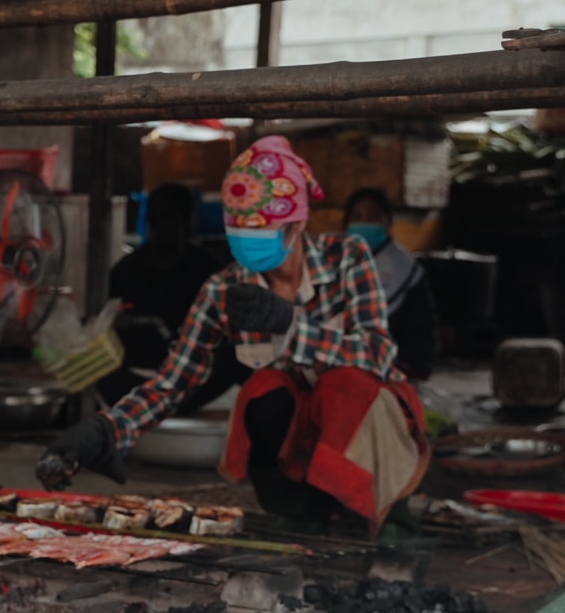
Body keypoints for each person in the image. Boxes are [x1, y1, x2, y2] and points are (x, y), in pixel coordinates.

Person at [36, 137, 429, 533]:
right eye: (240, 234)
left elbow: (378, 355)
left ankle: (386, 515)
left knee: (343, 384)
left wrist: (289, 325)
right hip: (295, 451)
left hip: (367, 441)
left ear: (296, 224)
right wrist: (108, 429)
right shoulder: (224, 290)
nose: (249, 246)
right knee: (264, 388)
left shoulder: (347, 258)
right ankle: (298, 513)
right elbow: (173, 384)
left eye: (260, 233)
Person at [98, 182, 242, 414]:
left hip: (127, 385)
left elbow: (100, 319)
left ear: (148, 219)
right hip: (193, 389)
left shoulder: (127, 267)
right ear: (191, 219)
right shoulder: (209, 268)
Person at [343, 187, 437, 381]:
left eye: (373, 216)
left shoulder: (404, 268)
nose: (364, 223)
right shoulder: (342, 260)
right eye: (357, 217)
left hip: (396, 367)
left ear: (387, 221)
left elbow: (420, 337)